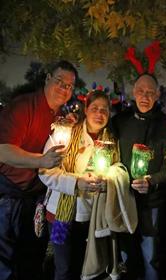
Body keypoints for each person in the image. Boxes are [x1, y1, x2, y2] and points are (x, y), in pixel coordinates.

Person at [39, 90, 129, 280]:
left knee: (84, 268)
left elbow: (116, 171)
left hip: (90, 217)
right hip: (59, 215)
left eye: (104, 109)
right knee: (63, 268)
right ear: (85, 110)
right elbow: (45, 172)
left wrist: (108, 181)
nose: (99, 114)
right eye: (94, 108)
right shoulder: (66, 131)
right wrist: (76, 182)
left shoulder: (111, 141)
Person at [0, 60, 77, 280]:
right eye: (60, 82)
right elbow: (3, 151)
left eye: (70, 86)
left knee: (32, 257)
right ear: (47, 79)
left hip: (36, 197)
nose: (64, 89)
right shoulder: (23, 106)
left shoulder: (61, 115)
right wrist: (42, 161)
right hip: (9, 194)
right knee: (6, 260)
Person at [112, 73, 166, 280]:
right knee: (125, 254)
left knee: (150, 255)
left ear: (157, 94)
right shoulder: (119, 122)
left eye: (150, 92)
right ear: (133, 92)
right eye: (141, 91)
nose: (145, 96)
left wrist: (153, 181)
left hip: (153, 203)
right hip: (125, 201)